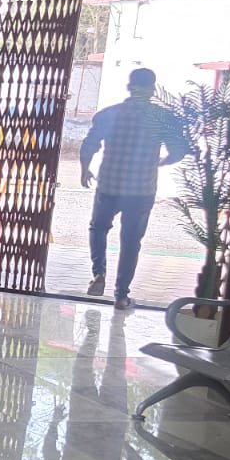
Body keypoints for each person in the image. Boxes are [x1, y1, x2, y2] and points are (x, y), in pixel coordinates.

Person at [80, 67, 188, 310]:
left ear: (129, 87)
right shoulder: (163, 118)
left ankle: (99, 273)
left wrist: (84, 170)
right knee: (130, 241)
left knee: (98, 228)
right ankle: (121, 296)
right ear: (152, 89)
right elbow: (178, 150)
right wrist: (161, 161)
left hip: (109, 185)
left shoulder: (109, 114)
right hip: (141, 190)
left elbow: (89, 145)